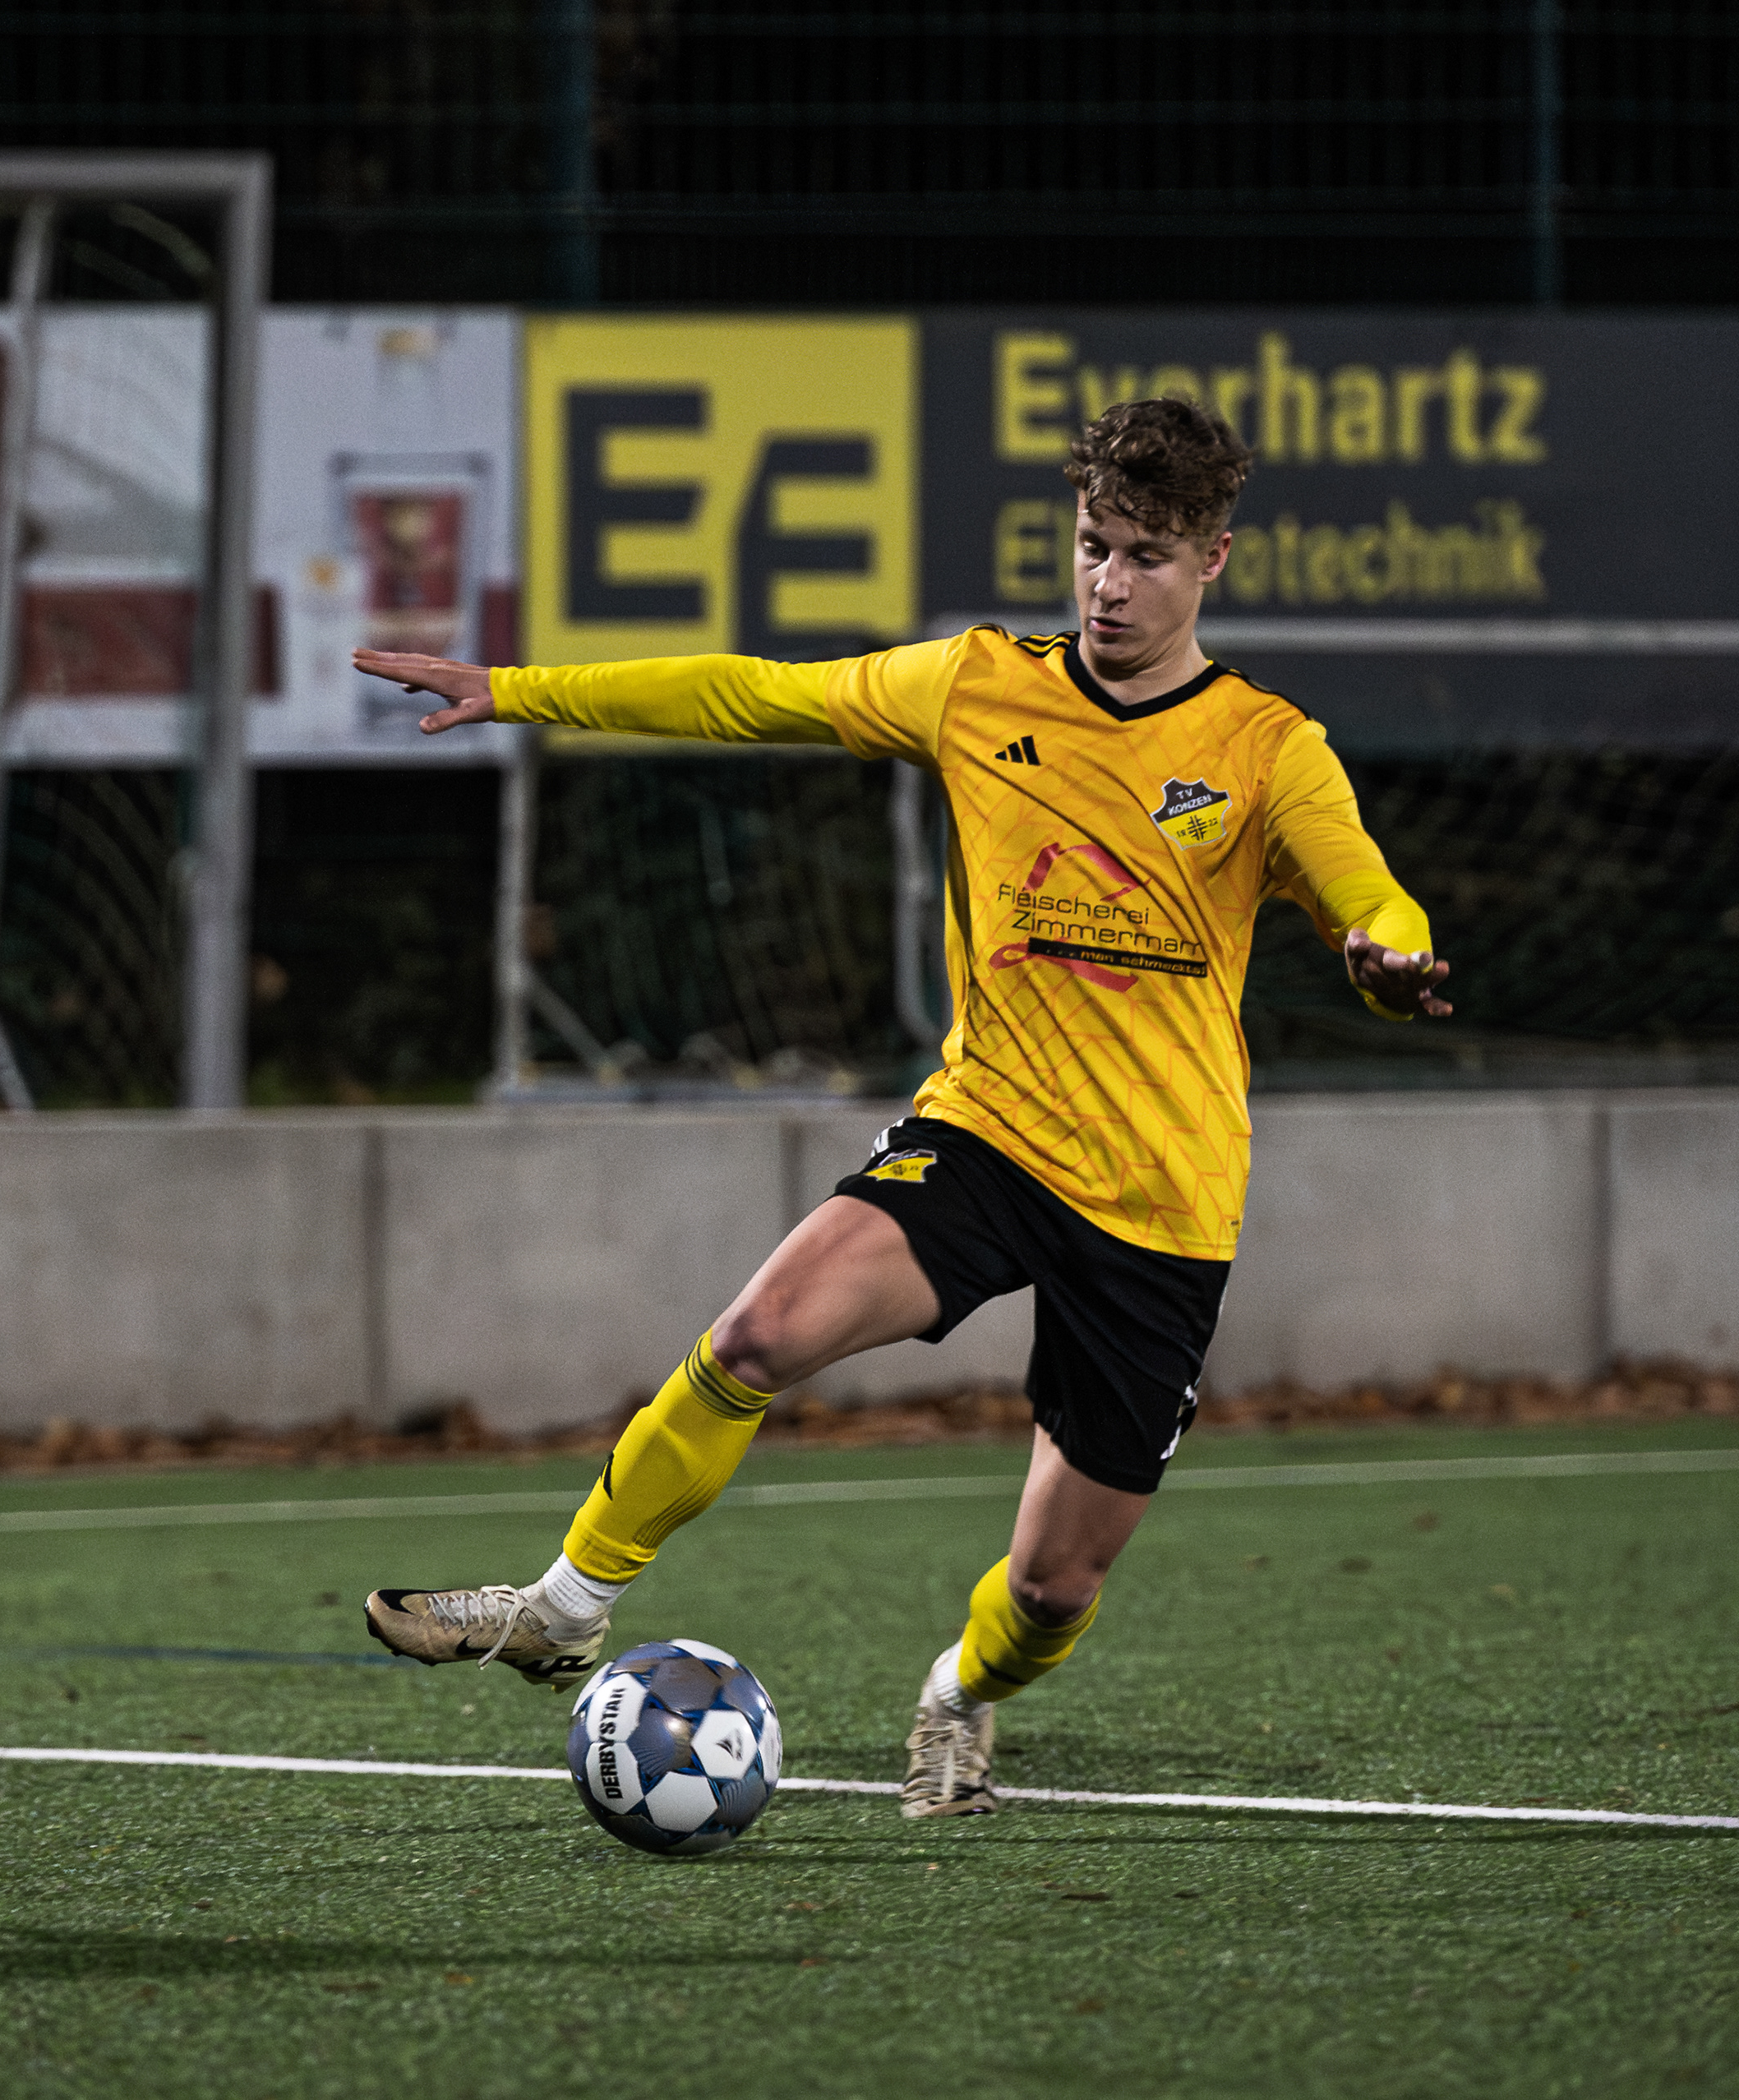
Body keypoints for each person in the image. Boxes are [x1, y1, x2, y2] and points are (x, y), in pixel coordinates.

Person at [348, 397, 1448, 1818]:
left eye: (1147, 558)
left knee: (1054, 1589)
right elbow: (752, 694)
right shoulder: (976, 683)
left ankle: (961, 1694)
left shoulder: (1265, 747)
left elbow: (1369, 893)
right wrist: (521, 689)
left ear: (1213, 561)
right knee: (759, 1333)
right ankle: (562, 1610)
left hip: (1163, 1201)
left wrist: (1386, 955)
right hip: (988, 1132)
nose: (1110, 585)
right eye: (1094, 547)